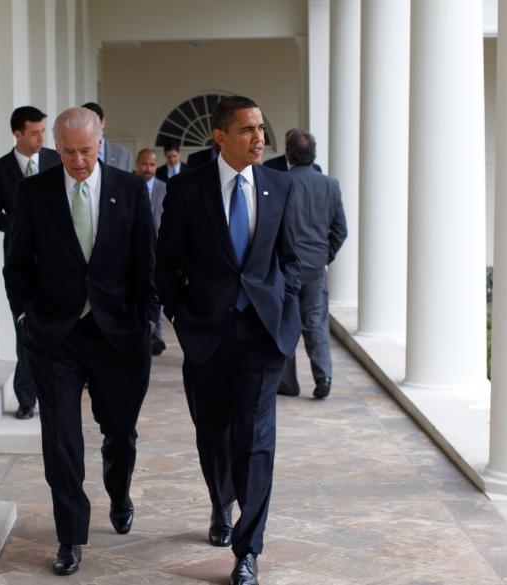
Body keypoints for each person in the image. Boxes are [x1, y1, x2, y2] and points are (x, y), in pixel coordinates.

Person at [3, 107, 156, 577]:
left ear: (100, 140)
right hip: (56, 336)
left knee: (120, 433)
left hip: (117, 336)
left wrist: (147, 321)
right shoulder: (34, 192)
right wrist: (26, 317)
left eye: (85, 151)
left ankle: (120, 491)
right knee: (62, 439)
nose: (77, 161)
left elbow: (146, 263)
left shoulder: (129, 191)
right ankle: (70, 535)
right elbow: (16, 263)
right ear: (56, 146)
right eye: (67, 151)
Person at [156, 96, 301, 585]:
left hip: (262, 334)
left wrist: (288, 313)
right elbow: (166, 265)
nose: (259, 138)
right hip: (207, 336)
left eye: (261, 128)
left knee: (256, 439)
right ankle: (221, 504)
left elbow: (292, 260)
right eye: (247, 130)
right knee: (212, 433)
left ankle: (247, 550)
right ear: (220, 137)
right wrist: (180, 315)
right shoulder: (187, 191)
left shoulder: (280, 186)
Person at [0, 106, 61, 419]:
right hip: (20, 262)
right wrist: (19, 227)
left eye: (43, 130)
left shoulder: (57, 161)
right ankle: (27, 399)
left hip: (59, 260)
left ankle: (58, 393)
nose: (42, 137)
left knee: (59, 327)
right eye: (35, 132)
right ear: (18, 134)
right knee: (25, 328)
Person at [274, 130, 347, 399]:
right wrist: (324, 255)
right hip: (315, 266)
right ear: (313, 153)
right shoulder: (330, 185)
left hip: (286, 266)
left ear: (288, 152)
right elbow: (341, 229)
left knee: (286, 321)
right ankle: (323, 375)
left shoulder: (280, 182)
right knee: (315, 321)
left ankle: (287, 382)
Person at [135, 148, 169, 355]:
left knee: (156, 294)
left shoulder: (164, 188)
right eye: (144, 164)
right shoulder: (128, 185)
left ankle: (155, 334)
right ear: (137, 164)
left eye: (152, 164)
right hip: (135, 250)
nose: (148, 168)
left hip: (157, 251)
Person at [80, 102, 133, 171]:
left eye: (94, 123)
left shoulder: (124, 155)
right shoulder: (69, 153)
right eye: (86, 123)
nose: (90, 128)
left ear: (103, 122)